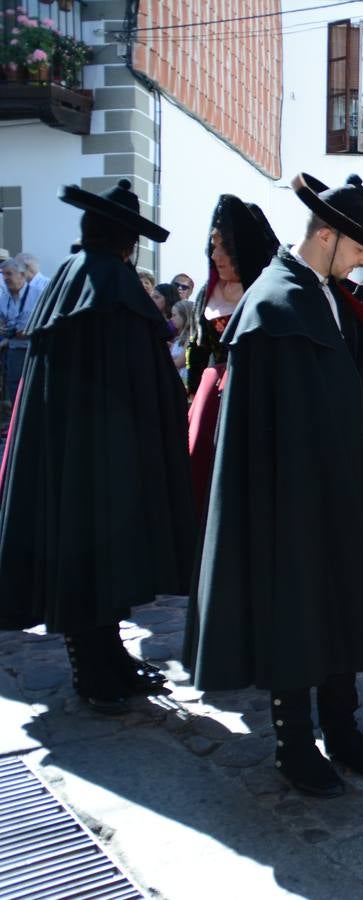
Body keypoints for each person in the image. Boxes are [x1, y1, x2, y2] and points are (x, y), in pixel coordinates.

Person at [190, 174, 363, 798]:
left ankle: (341, 729)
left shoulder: (327, 292)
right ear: (328, 235)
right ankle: (294, 745)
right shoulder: (276, 299)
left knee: (337, 604)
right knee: (297, 615)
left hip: (334, 483)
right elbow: (297, 401)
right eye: (360, 250)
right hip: (287, 494)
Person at [0, 179, 192, 713]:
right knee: (94, 555)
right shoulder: (111, 285)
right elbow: (139, 377)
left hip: (73, 449)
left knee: (93, 554)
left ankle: (108, 658)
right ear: (126, 240)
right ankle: (94, 670)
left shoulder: (68, 278)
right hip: (104, 453)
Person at [185, 195, 281, 513]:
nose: (215, 255)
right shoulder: (206, 292)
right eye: (212, 245)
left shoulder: (265, 290)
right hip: (210, 396)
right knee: (199, 457)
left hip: (251, 391)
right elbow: (196, 351)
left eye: (222, 246)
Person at [1, 258, 38, 408]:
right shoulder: (3, 299)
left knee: (34, 387)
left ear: (22, 275)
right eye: (3, 274)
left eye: (9, 274)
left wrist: (28, 331)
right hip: (14, 350)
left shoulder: (39, 295)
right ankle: (16, 425)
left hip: (34, 349)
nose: (5, 278)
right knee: (14, 388)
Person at [168, 298, 193, 381]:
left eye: (174, 315)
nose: (171, 319)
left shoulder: (191, 337)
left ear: (185, 316)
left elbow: (180, 362)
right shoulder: (178, 339)